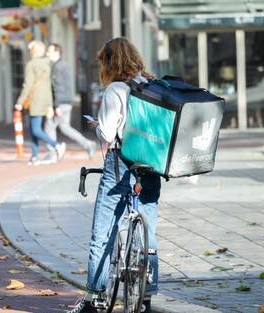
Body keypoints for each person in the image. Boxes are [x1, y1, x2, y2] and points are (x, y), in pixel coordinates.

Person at [69, 37, 161, 313]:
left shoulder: (115, 90)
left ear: (108, 62)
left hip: (121, 163)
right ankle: (146, 295)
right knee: (149, 229)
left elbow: (109, 134)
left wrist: (98, 126)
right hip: (153, 166)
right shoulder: (149, 86)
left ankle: (93, 299)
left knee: (103, 232)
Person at [15, 40, 65, 165]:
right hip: (45, 100)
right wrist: (49, 104)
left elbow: (28, 85)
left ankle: (56, 145)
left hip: (35, 100)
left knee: (36, 129)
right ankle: (34, 156)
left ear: (33, 51)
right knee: (33, 129)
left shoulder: (31, 65)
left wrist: (20, 101)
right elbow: (48, 85)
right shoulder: (47, 63)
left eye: (30, 49)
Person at [46, 43, 98, 157]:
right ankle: (88, 144)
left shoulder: (57, 67)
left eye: (49, 51)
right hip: (66, 101)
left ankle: (53, 151)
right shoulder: (64, 65)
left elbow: (58, 86)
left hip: (61, 102)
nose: (47, 53)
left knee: (49, 125)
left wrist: (57, 105)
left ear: (57, 52)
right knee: (65, 127)